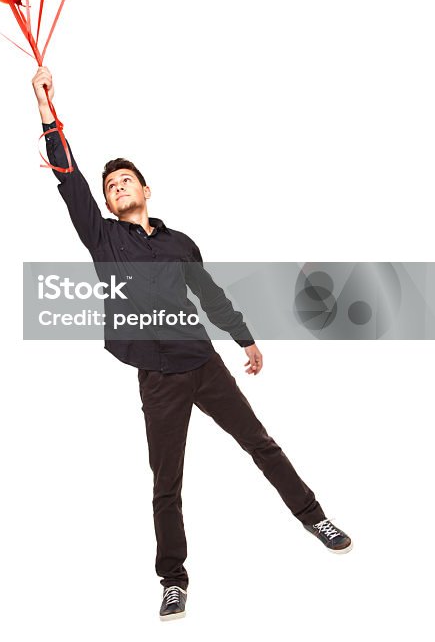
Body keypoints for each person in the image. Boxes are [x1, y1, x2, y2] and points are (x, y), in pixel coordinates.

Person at [31, 65, 352, 621]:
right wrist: (45, 110)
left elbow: (210, 293)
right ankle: (173, 579)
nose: (117, 186)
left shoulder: (181, 241)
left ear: (146, 189)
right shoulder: (103, 238)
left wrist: (245, 339)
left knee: (262, 445)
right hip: (157, 376)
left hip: (203, 360)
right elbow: (69, 180)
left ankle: (314, 517)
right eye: (111, 187)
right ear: (106, 205)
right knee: (167, 484)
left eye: (125, 179)